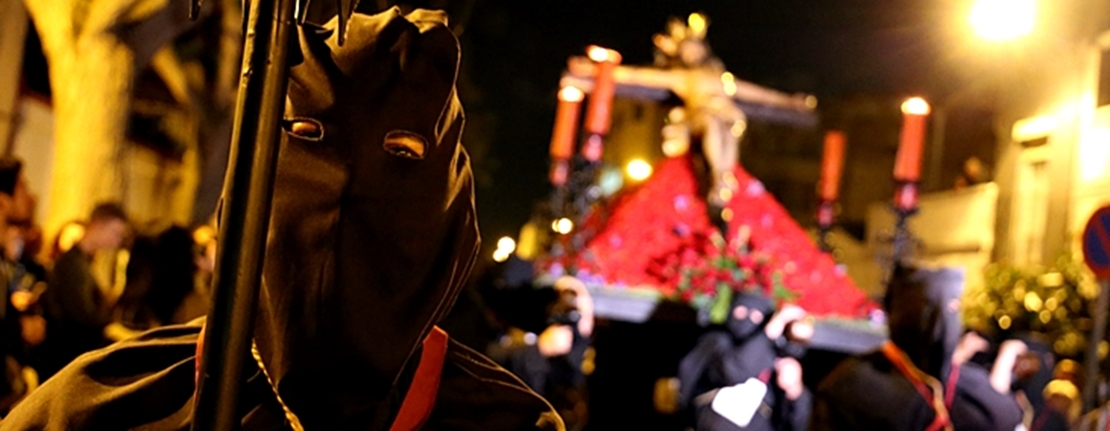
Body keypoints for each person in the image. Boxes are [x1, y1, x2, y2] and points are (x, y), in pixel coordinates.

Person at [0, 8, 562, 430]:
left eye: (403, 153)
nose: (344, 186)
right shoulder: (98, 408)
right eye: (308, 140)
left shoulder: (504, 423)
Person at [812, 265, 1024, 431]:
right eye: (935, 309)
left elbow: (1004, 418)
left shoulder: (967, 383)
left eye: (953, 308)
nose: (945, 321)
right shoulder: (854, 381)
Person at [677, 290, 812, 431]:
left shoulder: (775, 357)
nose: (747, 318)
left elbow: (797, 423)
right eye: (740, 312)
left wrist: (795, 390)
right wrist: (771, 331)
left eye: (757, 316)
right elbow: (735, 371)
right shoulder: (717, 343)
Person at [38, 202, 128, 380]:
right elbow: (82, 314)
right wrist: (110, 327)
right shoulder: (72, 264)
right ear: (98, 225)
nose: (117, 241)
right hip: (64, 356)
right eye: (115, 233)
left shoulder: (84, 262)